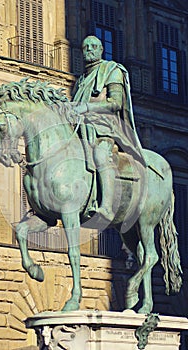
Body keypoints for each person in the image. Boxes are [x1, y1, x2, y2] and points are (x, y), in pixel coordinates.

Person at [71, 35, 146, 221]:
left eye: (93, 46)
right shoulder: (81, 80)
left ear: (101, 49)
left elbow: (115, 103)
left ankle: (106, 207)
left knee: (100, 154)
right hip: (81, 128)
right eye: (86, 46)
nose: (89, 49)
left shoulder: (112, 70)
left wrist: (87, 107)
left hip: (105, 127)